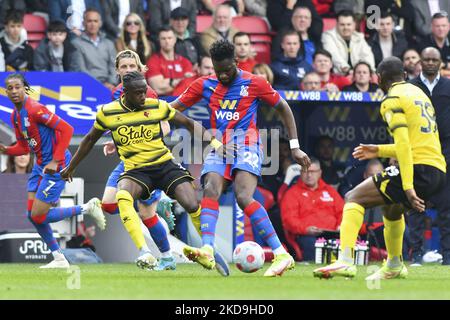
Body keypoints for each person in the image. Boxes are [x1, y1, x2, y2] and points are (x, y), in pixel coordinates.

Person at [61, 71, 232, 275]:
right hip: (136, 170)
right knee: (122, 195)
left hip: (163, 164)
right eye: (139, 93)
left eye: (145, 91)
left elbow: (187, 122)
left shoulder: (156, 106)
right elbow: (89, 140)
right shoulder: (108, 113)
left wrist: (215, 143)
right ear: (125, 93)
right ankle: (144, 252)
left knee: (192, 203)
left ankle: (208, 250)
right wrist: (71, 167)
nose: (144, 96)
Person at [171, 39, 311, 277]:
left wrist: (295, 147)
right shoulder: (204, 84)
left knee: (244, 196)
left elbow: (283, 107)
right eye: (218, 70)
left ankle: (281, 254)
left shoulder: (254, 82)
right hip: (220, 146)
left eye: (227, 70)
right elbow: (172, 109)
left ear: (236, 62)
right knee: (210, 189)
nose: (223, 75)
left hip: (247, 143)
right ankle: (206, 248)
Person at [313, 56, 447, 280]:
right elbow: (417, 142)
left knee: (354, 197)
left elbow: (404, 145)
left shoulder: (392, 99)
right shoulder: (419, 94)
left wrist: (408, 186)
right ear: (404, 76)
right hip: (438, 168)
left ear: (379, 79)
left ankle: (345, 260)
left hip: (417, 168)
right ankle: (394, 264)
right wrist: (379, 151)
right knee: (392, 209)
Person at [0, 73, 106, 269]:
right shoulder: (16, 116)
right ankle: (59, 259)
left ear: (25, 88)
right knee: (32, 215)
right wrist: (6, 150)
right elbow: (23, 148)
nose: (14, 91)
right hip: (40, 165)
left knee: (39, 215)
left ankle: (87, 208)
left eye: (17, 87)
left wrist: (56, 160)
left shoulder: (36, 109)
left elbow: (67, 129)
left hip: (55, 165)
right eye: (10, 88)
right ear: (6, 92)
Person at [102, 49, 176, 271]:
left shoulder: (148, 92)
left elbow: (164, 124)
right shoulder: (116, 92)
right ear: (117, 70)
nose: (127, 70)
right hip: (127, 159)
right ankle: (158, 202)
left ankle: (167, 257)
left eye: (131, 67)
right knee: (108, 204)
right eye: (123, 67)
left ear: (140, 68)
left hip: (147, 161)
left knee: (146, 214)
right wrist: (115, 142)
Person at [409, 47, 450, 266]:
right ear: (420, 62)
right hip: (419, 154)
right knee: (416, 207)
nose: (431, 63)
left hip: (446, 154)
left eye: (435, 59)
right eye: (427, 59)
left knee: (447, 209)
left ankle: (448, 256)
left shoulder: (448, 86)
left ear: (441, 62)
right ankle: (415, 254)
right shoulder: (411, 87)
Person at [280, 158, 344, 261]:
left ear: (320, 173)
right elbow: (289, 220)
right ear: (301, 173)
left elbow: (343, 213)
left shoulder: (330, 191)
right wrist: (305, 229)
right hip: (306, 236)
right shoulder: (292, 193)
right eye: (306, 171)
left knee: (346, 243)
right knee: (312, 244)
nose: (309, 175)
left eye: (313, 172)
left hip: (332, 234)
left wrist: (340, 225)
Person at [71, 8, 117, 90]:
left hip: (109, 86)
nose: (93, 24)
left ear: (100, 23)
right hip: (87, 86)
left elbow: (114, 67)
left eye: (95, 21)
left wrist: (111, 83)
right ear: (83, 23)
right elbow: (80, 70)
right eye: (89, 21)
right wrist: (100, 85)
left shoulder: (109, 43)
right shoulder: (76, 43)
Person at [321, 10, 375, 76]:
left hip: (358, 75)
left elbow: (367, 56)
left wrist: (369, 70)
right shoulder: (328, 36)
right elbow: (334, 56)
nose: (346, 27)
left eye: (348, 24)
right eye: (342, 25)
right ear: (337, 24)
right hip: (338, 75)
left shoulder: (359, 37)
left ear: (354, 25)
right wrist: (348, 70)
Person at [145, 27, 194, 96]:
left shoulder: (185, 61)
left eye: (169, 38)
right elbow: (158, 88)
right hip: (162, 102)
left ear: (175, 39)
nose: (167, 41)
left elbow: (189, 86)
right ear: (159, 40)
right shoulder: (153, 61)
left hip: (184, 101)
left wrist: (169, 82)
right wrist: (182, 80)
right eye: (163, 38)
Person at [418, 11, 450, 78]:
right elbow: (424, 67)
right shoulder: (423, 44)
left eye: (444, 26)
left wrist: (444, 66)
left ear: (449, 26)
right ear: (432, 27)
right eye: (437, 26)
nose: (441, 29)